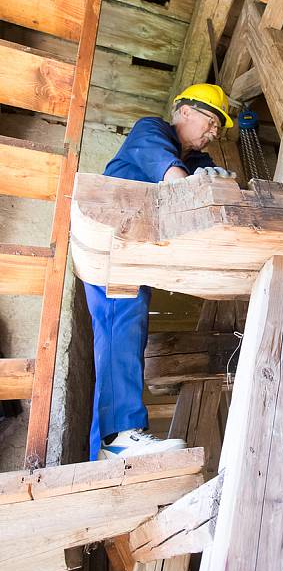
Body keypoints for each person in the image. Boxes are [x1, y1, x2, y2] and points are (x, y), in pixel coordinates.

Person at [84, 84, 236, 460]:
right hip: (110, 243)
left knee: (125, 335)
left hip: (136, 254)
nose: (214, 132)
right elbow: (176, 185)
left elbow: (211, 192)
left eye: (219, 127)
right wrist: (207, 186)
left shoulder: (197, 160)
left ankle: (111, 443)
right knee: (120, 329)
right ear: (184, 110)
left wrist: (220, 181)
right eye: (211, 120)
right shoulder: (151, 131)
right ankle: (119, 437)